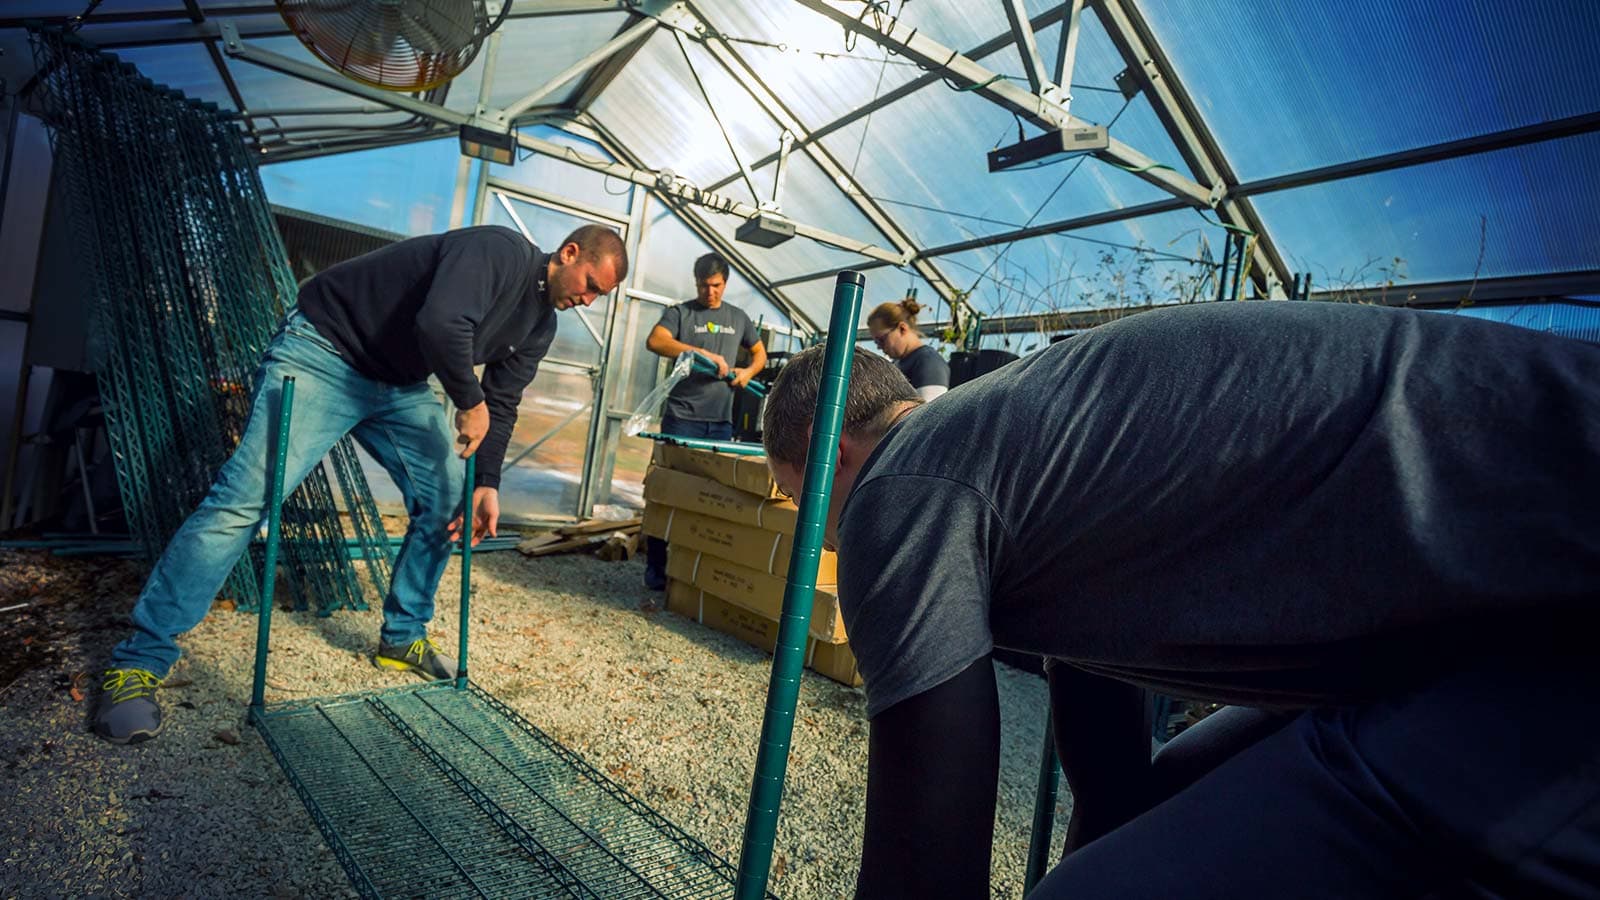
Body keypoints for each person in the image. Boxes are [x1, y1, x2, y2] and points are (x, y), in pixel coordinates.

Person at [759, 300, 1600, 898]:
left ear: (825, 453)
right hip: (1490, 587)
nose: (824, 540)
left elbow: (925, 874)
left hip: (1547, 618)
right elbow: (1113, 777)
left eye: (804, 508)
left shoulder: (903, 484)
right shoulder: (1027, 439)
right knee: (1169, 799)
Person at [93, 223, 627, 745]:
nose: (588, 301)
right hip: (324, 351)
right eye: (590, 287)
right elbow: (442, 324)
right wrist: (469, 399)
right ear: (569, 253)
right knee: (243, 500)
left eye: (598, 297)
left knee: (447, 502)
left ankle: (402, 637)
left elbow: (503, 403)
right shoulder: (498, 251)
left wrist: (485, 482)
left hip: (396, 386)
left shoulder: (540, 328)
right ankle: (138, 662)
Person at [640, 252, 767, 591]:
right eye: (703, 285)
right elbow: (655, 341)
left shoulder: (737, 318)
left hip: (720, 424)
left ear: (725, 284)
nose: (709, 292)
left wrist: (747, 372)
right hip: (682, 419)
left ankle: (695, 568)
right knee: (668, 492)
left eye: (715, 286)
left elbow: (759, 353)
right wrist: (700, 354)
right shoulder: (681, 313)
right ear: (695, 283)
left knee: (710, 499)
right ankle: (656, 567)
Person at [867, 297, 949, 401]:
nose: (879, 346)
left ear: (902, 328)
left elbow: (930, 412)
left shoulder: (929, 362)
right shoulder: (898, 363)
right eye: (876, 342)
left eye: (881, 340)